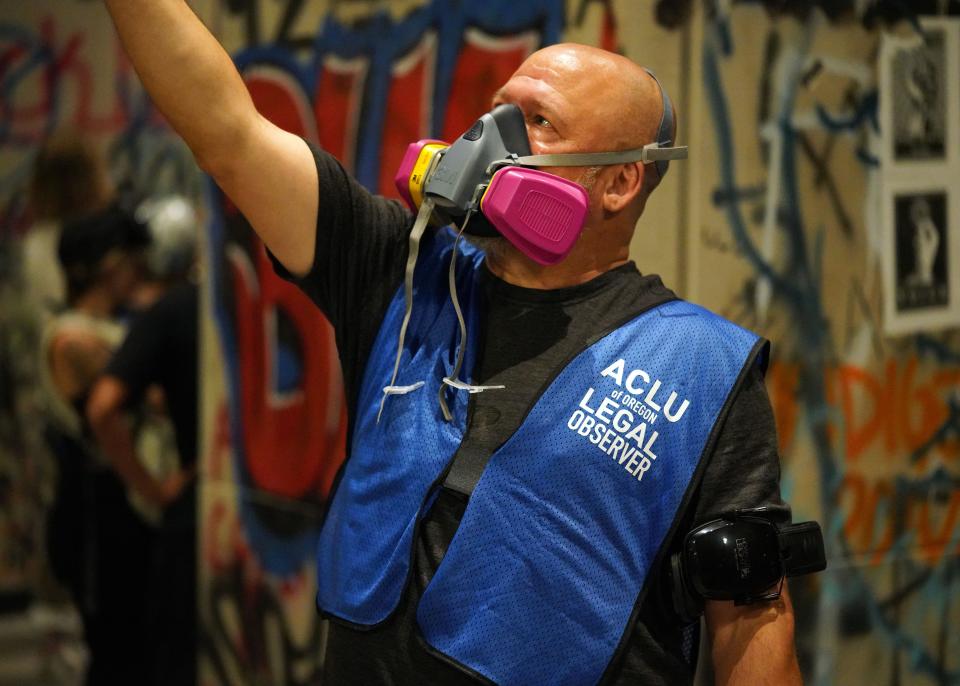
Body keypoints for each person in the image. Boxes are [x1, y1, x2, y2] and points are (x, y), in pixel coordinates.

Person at [105, 2, 802, 683]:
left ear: (620, 181)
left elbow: (751, 624)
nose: (492, 134)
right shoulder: (399, 270)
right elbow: (228, 133)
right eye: (498, 108)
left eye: (538, 122)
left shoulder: (699, 370)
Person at [38, 204, 157, 685]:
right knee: (118, 655)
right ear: (111, 264)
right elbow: (152, 396)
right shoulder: (74, 340)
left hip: (110, 515)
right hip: (100, 522)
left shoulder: (99, 330)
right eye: (130, 258)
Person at [87, 195, 200, 686]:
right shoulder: (218, 303)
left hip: (190, 512)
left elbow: (103, 406)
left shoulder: (163, 314)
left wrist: (151, 488)